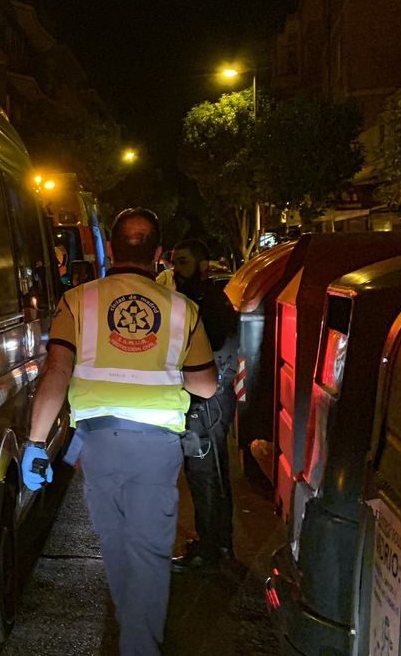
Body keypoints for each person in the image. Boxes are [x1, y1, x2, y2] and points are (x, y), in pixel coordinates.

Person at [22, 209, 218, 656]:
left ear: (110, 249)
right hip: (156, 447)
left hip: (98, 445)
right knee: (148, 552)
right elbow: (204, 384)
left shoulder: (78, 301)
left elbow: (57, 370)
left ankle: (134, 635)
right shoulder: (183, 309)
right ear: (159, 254)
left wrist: (36, 443)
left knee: (114, 545)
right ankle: (139, 644)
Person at [168, 239, 241, 572]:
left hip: (206, 404)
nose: (175, 269)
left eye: (181, 261)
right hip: (208, 401)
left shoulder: (203, 302)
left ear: (199, 264)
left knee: (206, 476)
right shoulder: (202, 299)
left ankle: (211, 552)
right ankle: (216, 544)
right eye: (172, 261)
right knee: (209, 474)